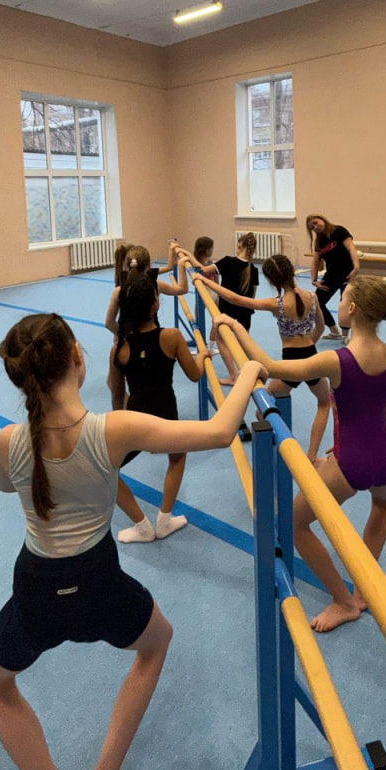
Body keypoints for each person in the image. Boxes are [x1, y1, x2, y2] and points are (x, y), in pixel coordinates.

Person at [0, 310, 263, 770]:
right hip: (97, 583)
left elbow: (3, 484)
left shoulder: (7, 441)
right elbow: (220, 431)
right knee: (156, 642)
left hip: (36, 587)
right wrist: (249, 369)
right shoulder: (112, 429)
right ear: (77, 359)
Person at [225, 276, 386, 634]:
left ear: (352, 309)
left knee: (293, 523)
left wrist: (233, 326)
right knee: (382, 506)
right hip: (384, 456)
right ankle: (365, 589)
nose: (337, 305)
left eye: (342, 299)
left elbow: (269, 365)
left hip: (351, 462)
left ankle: (343, 602)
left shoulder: (336, 360)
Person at [197, 254, 331, 461]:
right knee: (324, 403)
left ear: (272, 280)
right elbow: (320, 327)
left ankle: (278, 444)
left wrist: (206, 281)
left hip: (290, 363)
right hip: (311, 357)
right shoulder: (312, 297)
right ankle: (311, 456)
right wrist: (308, 347)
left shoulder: (277, 304)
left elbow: (236, 299)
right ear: (292, 270)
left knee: (262, 409)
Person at [112, 273, 208, 543]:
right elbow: (195, 375)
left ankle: (141, 524)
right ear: (155, 305)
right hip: (166, 415)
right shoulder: (171, 337)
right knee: (177, 458)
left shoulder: (120, 346)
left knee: (107, 468)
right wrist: (201, 356)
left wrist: (118, 427)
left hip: (135, 419)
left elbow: (117, 393)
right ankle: (164, 519)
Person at [209, 232, 258, 385]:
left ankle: (233, 375)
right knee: (244, 342)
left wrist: (188, 258)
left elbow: (203, 270)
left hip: (227, 308)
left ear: (239, 246)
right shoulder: (253, 269)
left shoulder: (227, 261)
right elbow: (253, 295)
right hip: (245, 310)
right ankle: (247, 372)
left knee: (220, 338)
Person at [306, 214, 360, 340]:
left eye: (315, 223)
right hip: (331, 276)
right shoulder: (319, 241)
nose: (315, 227)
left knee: (345, 304)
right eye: (312, 227)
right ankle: (334, 331)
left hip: (347, 274)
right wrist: (314, 280)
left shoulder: (339, 231)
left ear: (322, 219)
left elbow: (351, 249)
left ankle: (346, 336)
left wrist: (356, 267)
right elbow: (315, 261)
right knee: (316, 303)